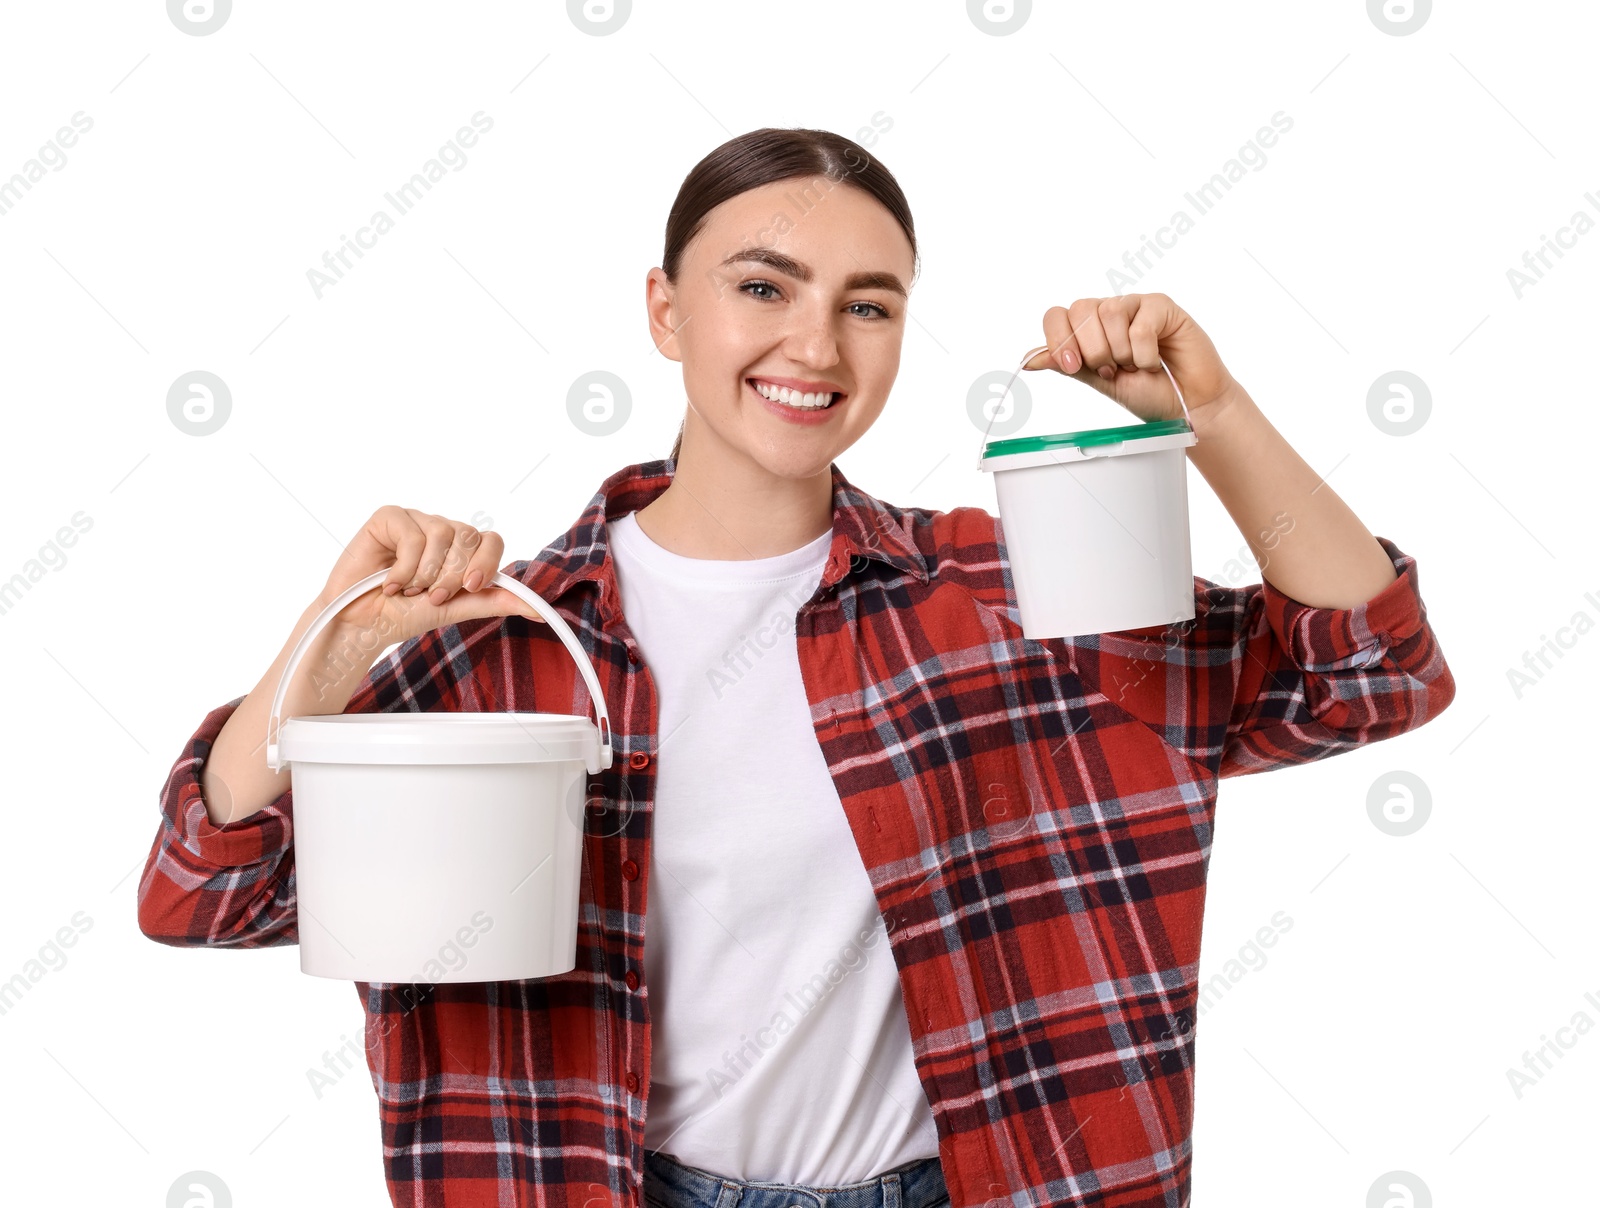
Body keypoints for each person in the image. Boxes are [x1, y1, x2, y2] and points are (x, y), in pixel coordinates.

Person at [137, 126, 1456, 1208]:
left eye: (865, 306)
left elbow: (1370, 672)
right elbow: (200, 893)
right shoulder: (503, 644)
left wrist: (1211, 417)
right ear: (665, 310)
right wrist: (328, 641)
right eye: (763, 287)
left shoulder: (1011, 599)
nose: (815, 348)